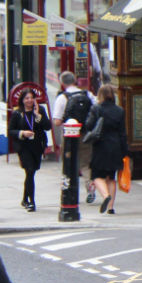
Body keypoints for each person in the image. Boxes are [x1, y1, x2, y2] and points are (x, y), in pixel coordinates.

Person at [51, 72, 96, 204]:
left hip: (69, 136)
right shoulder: (87, 94)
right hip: (85, 134)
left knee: (68, 163)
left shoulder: (62, 98)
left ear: (62, 83)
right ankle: (90, 188)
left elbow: (57, 121)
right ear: (75, 80)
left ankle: (68, 190)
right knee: (86, 164)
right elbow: (96, 109)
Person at [83, 85, 127, 215]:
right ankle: (111, 207)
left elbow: (89, 125)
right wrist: (125, 151)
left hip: (101, 145)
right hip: (116, 146)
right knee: (111, 177)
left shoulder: (96, 109)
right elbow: (123, 133)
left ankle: (106, 195)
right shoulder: (120, 110)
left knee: (97, 176)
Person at [8, 91, 51, 212]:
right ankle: (31, 201)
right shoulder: (17, 113)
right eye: (27, 98)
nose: (29, 101)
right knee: (30, 170)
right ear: (22, 100)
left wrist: (38, 116)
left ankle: (24, 199)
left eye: (32, 98)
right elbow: (11, 131)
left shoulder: (40, 110)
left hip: (37, 146)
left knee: (31, 173)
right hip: (24, 146)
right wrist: (22, 133)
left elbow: (48, 126)